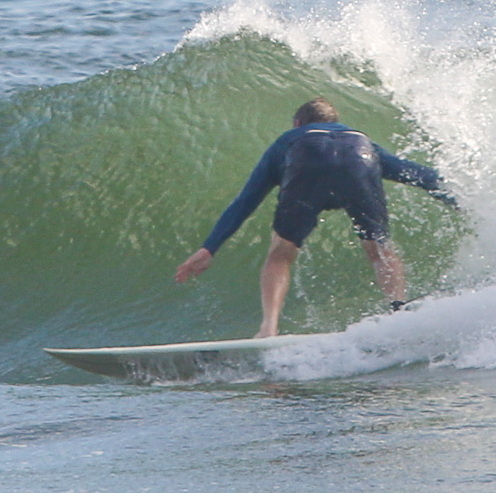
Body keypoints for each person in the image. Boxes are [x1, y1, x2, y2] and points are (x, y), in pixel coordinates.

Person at [175, 98, 454, 338]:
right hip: (360, 157)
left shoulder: (289, 140)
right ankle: (398, 312)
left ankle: (269, 329)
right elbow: (417, 174)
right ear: (335, 121)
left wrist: (210, 247)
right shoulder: (361, 138)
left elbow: (247, 199)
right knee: (380, 249)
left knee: (280, 253)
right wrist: (458, 197)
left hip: (306, 161)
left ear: (298, 122)